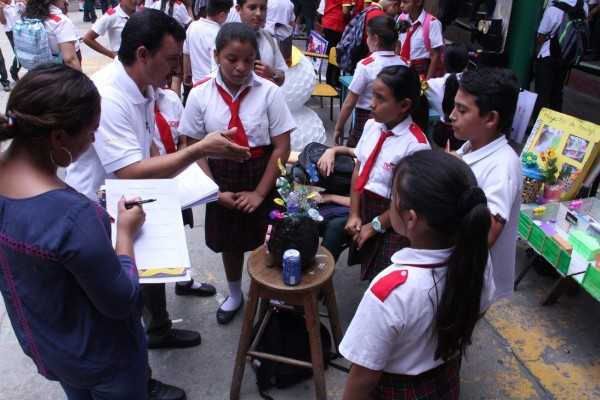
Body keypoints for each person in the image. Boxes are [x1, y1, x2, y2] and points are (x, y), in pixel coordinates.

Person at [65, 9, 250, 399]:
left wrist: (192, 183)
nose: (176, 66)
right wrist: (200, 149)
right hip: (104, 210)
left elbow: (148, 146)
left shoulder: (145, 88)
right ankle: (140, 381)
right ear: (143, 54)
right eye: (171, 58)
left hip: (133, 199)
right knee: (122, 297)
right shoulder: (109, 96)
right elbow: (130, 170)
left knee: (150, 273)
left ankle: (160, 330)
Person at [0, 64, 148, 399]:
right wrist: (124, 232)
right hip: (105, 357)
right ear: (58, 137)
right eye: (91, 132)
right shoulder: (70, 215)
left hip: (50, 347)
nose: (94, 140)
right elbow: (121, 300)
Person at [340, 150, 495, 399]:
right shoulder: (479, 260)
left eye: (393, 199)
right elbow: (478, 311)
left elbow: (364, 375)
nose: (390, 203)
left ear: (411, 218)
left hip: (396, 391)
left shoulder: (390, 290)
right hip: (446, 379)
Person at [179, 22, 295, 324]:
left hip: (262, 174)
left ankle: (268, 293)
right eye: (232, 59)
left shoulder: (269, 92)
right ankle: (234, 294)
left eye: (247, 59)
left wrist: (260, 193)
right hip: (219, 178)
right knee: (229, 243)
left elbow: (282, 146)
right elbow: (191, 145)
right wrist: (214, 192)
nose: (241, 67)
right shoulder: (200, 94)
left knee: (268, 241)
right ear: (216, 55)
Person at [346, 65, 430, 281]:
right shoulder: (372, 125)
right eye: (373, 94)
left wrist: (375, 226)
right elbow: (359, 168)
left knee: (384, 277)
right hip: (364, 205)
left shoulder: (416, 146)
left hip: (394, 219)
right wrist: (355, 213)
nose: (372, 103)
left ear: (404, 105)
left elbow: (408, 202)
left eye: (381, 99)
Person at [450, 68, 522, 304]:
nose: (452, 115)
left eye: (462, 110)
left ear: (490, 119)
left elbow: (487, 234)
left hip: (470, 282)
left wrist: (457, 176)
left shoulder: (503, 167)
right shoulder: (470, 145)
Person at [333, 15, 407, 147]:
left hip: (365, 120)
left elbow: (350, 102)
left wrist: (339, 127)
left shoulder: (366, 65)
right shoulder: (403, 64)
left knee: (357, 156)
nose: (366, 39)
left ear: (376, 39)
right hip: (393, 120)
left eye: (368, 36)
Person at [534, 0, 586, 116]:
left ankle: (539, 123)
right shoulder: (583, 7)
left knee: (542, 93)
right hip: (566, 57)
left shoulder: (553, 10)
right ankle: (556, 124)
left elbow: (541, 37)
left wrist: (535, 57)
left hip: (547, 56)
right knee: (557, 92)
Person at [182, 0, 232, 103]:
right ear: (222, 15)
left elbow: (186, 53)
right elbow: (218, 67)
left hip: (196, 87)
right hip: (213, 91)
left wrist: (186, 73)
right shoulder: (219, 35)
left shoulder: (192, 26)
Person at [424, 42, 469, 150]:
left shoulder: (431, 85)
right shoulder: (474, 85)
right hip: (466, 138)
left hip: (440, 137)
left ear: (444, 61)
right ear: (466, 63)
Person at [232, 0, 288, 85]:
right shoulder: (227, 40)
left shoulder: (269, 39)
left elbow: (281, 78)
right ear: (239, 9)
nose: (258, 13)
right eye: (252, 8)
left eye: (263, 8)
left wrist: (272, 75)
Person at [23, 0, 81, 71]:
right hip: (60, 71)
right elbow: (70, 60)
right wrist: (80, 81)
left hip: (37, 69)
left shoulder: (29, 17)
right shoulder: (61, 21)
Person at [398, 0, 444, 79]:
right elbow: (398, 45)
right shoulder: (401, 19)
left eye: (406, 2)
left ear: (419, 2)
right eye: (401, 2)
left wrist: (427, 81)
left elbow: (436, 55)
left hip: (419, 69)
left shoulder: (432, 23)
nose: (401, 5)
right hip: (401, 65)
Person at [321, 0, 351, 86]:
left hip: (327, 22)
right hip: (337, 25)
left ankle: (334, 80)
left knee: (332, 54)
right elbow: (345, 12)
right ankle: (330, 82)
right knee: (335, 55)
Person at [0, 0, 25, 83]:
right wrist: (1, 10)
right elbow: (3, 22)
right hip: (11, 32)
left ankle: (14, 69)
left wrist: (23, 1)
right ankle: (14, 71)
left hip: (23, 31)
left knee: (25, 52)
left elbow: (30, 11)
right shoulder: (2, 6)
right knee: (18, 53)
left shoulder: (18, 3)